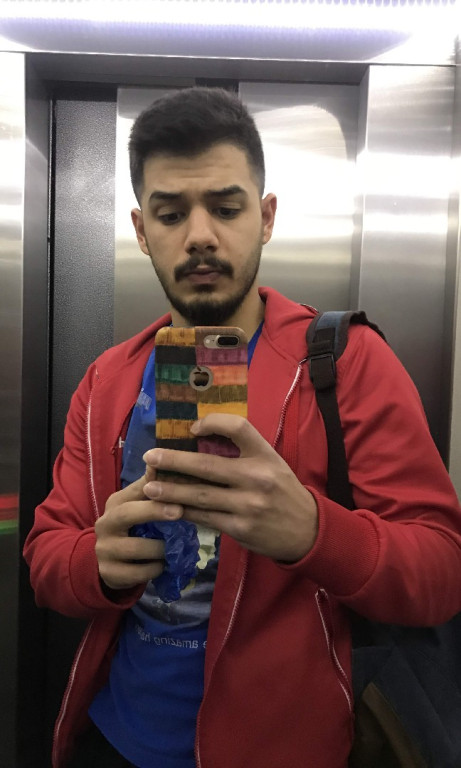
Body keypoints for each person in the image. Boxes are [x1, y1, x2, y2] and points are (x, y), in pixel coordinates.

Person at [24, 87, 461, 768]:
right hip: (115, 737)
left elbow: (441, 570)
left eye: (226, 209)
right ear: (141, 230)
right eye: (171, 213)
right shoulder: (108, 379)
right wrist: (93, 564)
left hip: (282, 748)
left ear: (265, 218)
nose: (200, 235)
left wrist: (314, 533)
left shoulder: (346, 363)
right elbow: (46, 552)